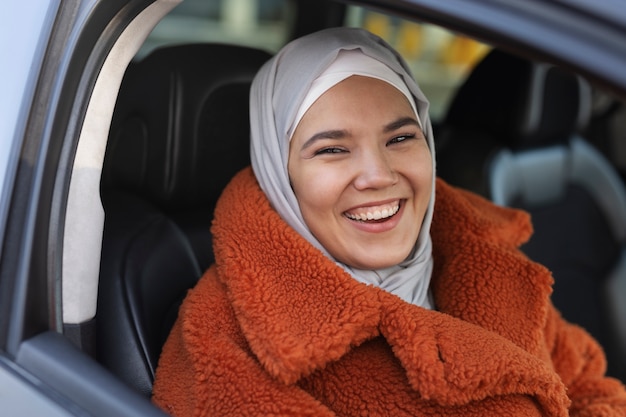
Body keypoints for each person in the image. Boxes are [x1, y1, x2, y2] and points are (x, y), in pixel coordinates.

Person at [152, 27, 626, 416]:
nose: (379, 175)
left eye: (400, 138)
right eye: (333, 149)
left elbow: (589, 386)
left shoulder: (486, 261)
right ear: (281, 173)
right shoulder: (226, 343)